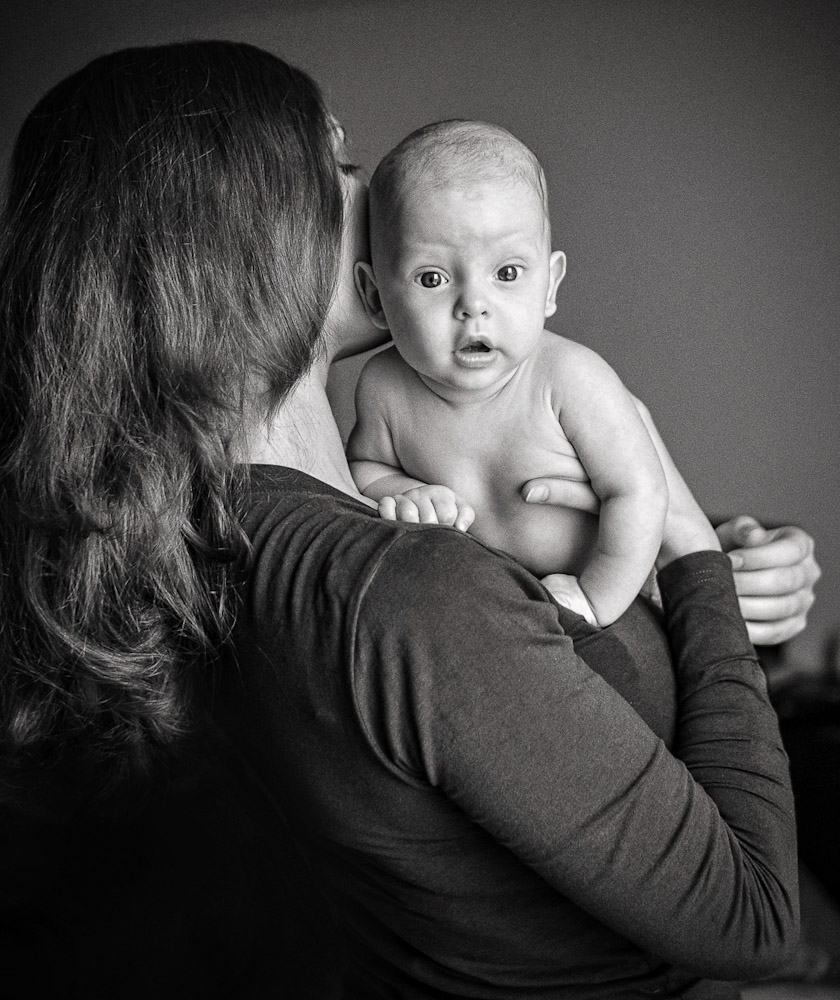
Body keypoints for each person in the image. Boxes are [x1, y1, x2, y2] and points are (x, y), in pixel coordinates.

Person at [0, 40, 822, 1000]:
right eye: (339, 167)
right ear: (238, 240)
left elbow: (503, 657)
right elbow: (758, 920)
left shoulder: (209, 547)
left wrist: (699, 581)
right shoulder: (399, 591)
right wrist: (680, 538)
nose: (380, 193)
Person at [348, 119, 667, 627]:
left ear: (549, 285)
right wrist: (402, 492)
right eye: (432, 278)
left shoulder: (569, 379)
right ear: (375, 297)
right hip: (487, 614)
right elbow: (363, 470)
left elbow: (640, 492)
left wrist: (595, 600)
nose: (474, 305)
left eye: (507, 273)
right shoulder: (385, 388)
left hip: (609, 590)